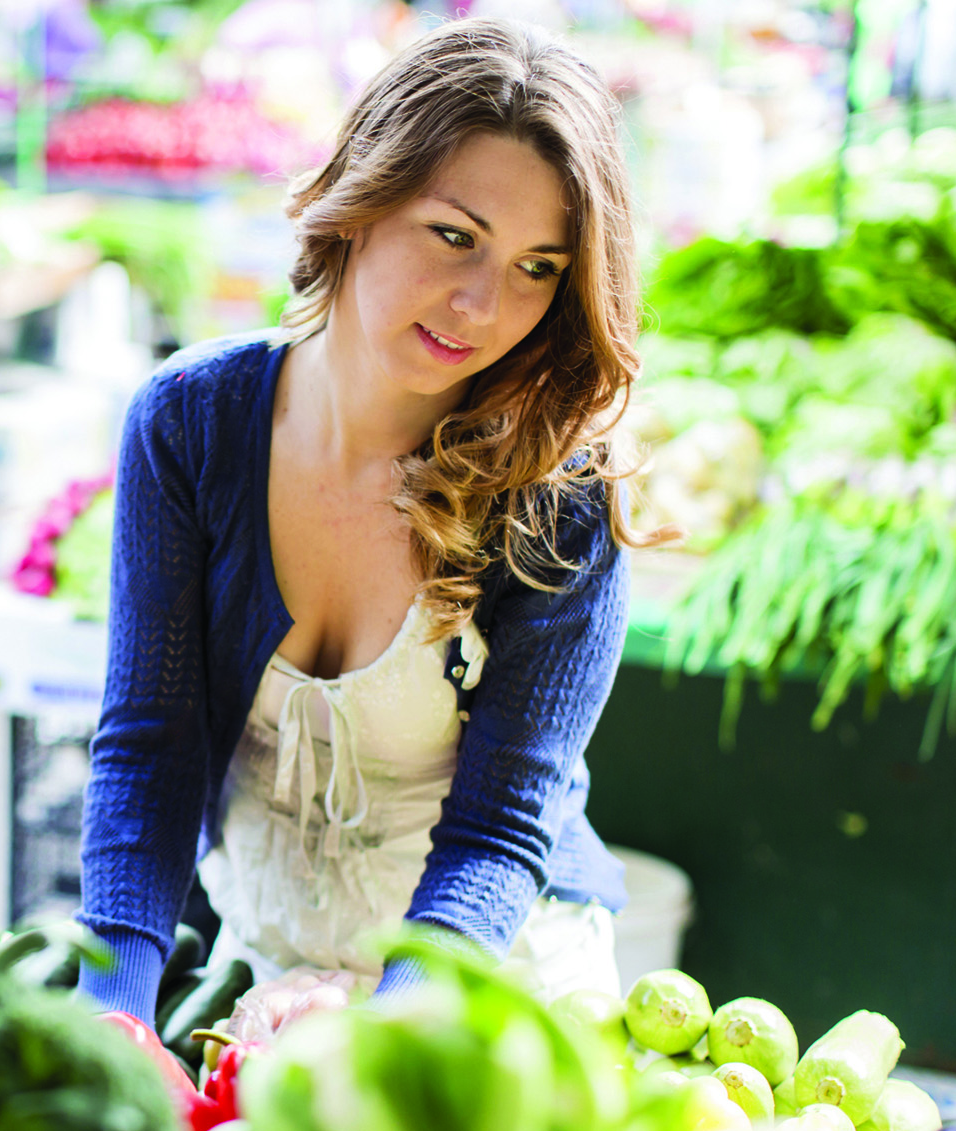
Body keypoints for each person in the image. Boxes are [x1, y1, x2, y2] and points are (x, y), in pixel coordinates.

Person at [75, 18, 665, 1030]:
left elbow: (498, 829)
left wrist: (386, 1037)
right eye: (454, 235)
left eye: (537, 268)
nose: (481, 304)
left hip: (485, 988)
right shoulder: (190, 424)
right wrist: (113, 1010)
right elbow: (149, 746)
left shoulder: (558, 499)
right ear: (361, 199)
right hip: (265, 969)